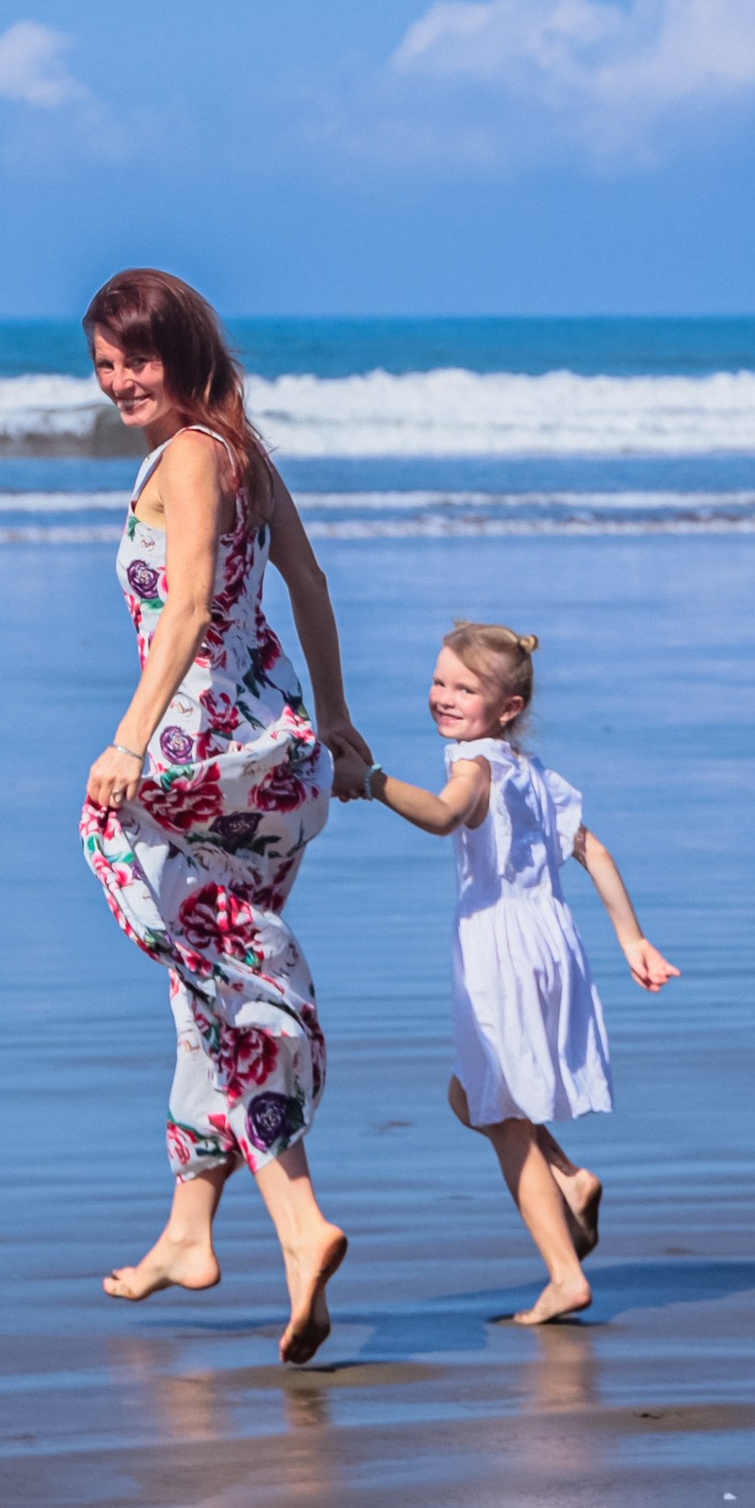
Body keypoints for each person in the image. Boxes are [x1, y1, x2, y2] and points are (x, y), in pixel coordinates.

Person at [78, 269, 376, 1366]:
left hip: (200, 756)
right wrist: (337, 723)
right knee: (203, 982)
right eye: (105, 364)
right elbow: (307, 578)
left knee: (125, 857)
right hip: (276, 757)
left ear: (184, 350)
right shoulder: (240, 448)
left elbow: (191, 604)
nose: (120, 382)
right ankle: (188, 1229)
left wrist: (125, 739)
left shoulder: (191, 456)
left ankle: (298, 1222)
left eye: (137, 360)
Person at [363, 622, 677, 1325]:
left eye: (465, 689)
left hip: (501, 949)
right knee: (468, 1097)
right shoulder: (533, 773)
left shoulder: (473, 764)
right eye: (440, 681)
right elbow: (592, 850)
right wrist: (632, 939)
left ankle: (565, 1276)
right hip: (552, 943)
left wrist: (373, 782)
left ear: (506, 708)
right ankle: (569, 1176)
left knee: (500, 1116)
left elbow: (446, 817)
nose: (444, 698)